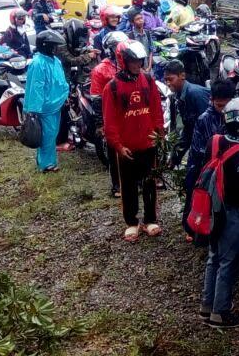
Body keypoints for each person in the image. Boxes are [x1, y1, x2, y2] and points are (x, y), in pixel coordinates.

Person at [199, 96, 239, 329]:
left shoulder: (214, 141)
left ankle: (207, 306)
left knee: (213, 257)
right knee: (228, 263)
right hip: (232, 213)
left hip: (212, 209)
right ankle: (221, 313)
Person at [102, 40, 166, 242]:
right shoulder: (112, 88)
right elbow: (109, 121)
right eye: (133, 61)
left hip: (148, 144)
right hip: (127, 148)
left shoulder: (148, 81)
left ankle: (150, 219)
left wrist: (160, 135)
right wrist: (118, 146)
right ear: (124, 61)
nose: (137, 65)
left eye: (139, 61)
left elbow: (156, 109)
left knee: (149, 183)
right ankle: (131, 222)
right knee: (128, 186)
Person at [175, 77, 234, 242]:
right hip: (204, 167)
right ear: (212, 100)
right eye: (219, 106)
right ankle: (193, 227)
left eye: (226, 106)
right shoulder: (204, 119)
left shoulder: (235, 116)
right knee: (199, 199)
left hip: (224, 167)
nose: (223, 110)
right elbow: (201, 150)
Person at [89, 30, 129, 196]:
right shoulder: (101, 70)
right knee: (114, 152)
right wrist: (100, 123)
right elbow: (97, 98)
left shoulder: (129, 66)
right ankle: (117, 185)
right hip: (111, 114)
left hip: (129, 114)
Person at [25, 30, 68, 173]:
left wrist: (65, 96)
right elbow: (36, 88)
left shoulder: (55, 61)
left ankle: (50, 161)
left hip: (56, 104)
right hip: (45, 107)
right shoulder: (38, 63)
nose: (56, 49)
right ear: (46, 46)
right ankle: (46, 165)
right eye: (54, 46)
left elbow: (61, 81)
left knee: (52, 134)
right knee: (47, 136)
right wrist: (34, 111)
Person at [55, 20, 98, 152]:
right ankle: (59, 141)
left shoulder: (76, 39)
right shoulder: (60, 43)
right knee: (62, 108)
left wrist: (89, 51)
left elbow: (78, 50)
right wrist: (88, 56)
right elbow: (70, 59)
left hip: (68, 76)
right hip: (60, 78)